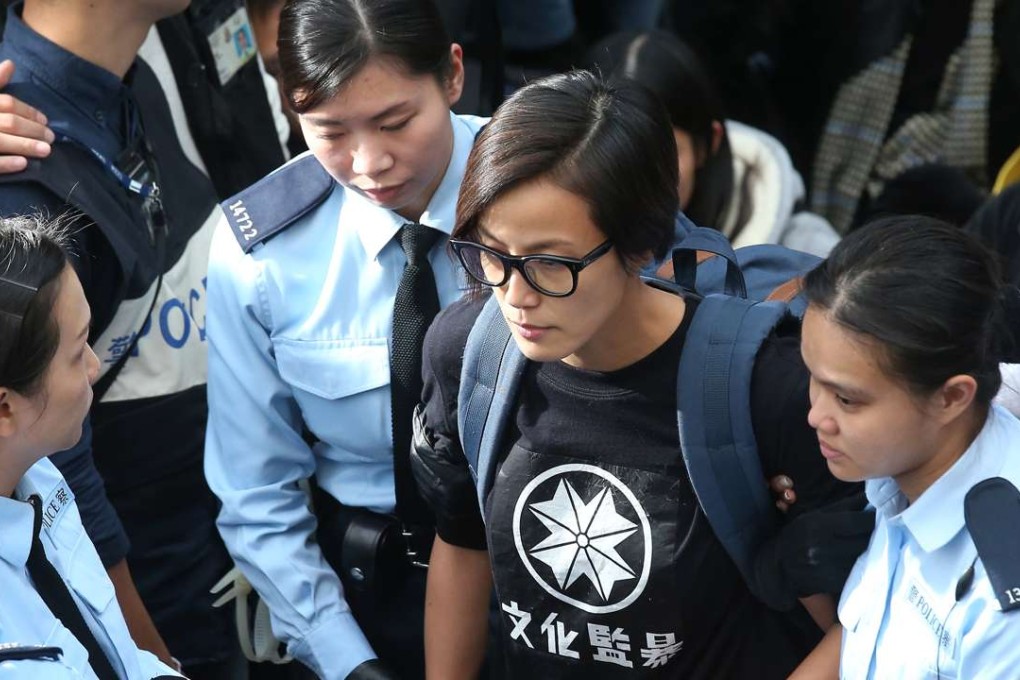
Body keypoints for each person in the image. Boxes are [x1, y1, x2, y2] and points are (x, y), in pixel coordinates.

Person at [412, 69, 860, 679]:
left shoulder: (766, 388)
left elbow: (857, 624)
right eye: (491, 253)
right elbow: (461, 543)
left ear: (642, 245)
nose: (514, 294)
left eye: (551, 263)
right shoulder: (467, 351)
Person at [203, 0, 483, 677]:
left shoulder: (557, 182)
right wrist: (345, 660)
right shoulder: (261, 254)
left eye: (396, 122)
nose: (369, 162)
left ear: (451, 76)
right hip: (373, 596)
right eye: (327, 131)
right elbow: (257, 492)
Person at [0, 1, 241, 676]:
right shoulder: (19, 166)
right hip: (145, 593)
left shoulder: (133, 79)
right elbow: (48, 457)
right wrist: (135, 649)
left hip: (212, 533)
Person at [790, 216, 1020, 678]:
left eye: (847, 399)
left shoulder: (1001, 596)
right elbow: (864, 629)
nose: (816, 415)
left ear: (951, 397)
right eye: (812, 378)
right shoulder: (904, 469)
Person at [0, 214, 181, 680]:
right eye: (79, 351)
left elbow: (113, 654)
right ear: (4, 408)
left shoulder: (37, 474)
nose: (95, 367)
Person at [588, 30, 839, 256]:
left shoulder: (807, 257)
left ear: (709, 143)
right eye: (612, 153)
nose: (635, 180)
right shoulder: (562, 254)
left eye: (660, 154)